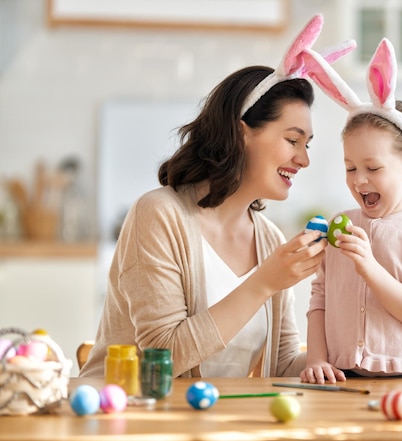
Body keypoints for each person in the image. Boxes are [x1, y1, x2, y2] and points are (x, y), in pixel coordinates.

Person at [80, 14, 355, 379]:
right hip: (133, 420)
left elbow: (283, 363)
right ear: (242, 133)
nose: (303, 159)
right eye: (292, 140)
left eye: (307, 145)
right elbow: (160, 358)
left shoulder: (268, 238)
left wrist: (360, 352)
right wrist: (264, 282)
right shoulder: (160, 215)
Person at [299, 38, 402, 383]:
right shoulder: (337, 228)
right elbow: (320, 300)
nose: (359, 181)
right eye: (350, 168)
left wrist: (368, 265)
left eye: (373, 169)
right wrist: (316, 359)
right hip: (341, 376)